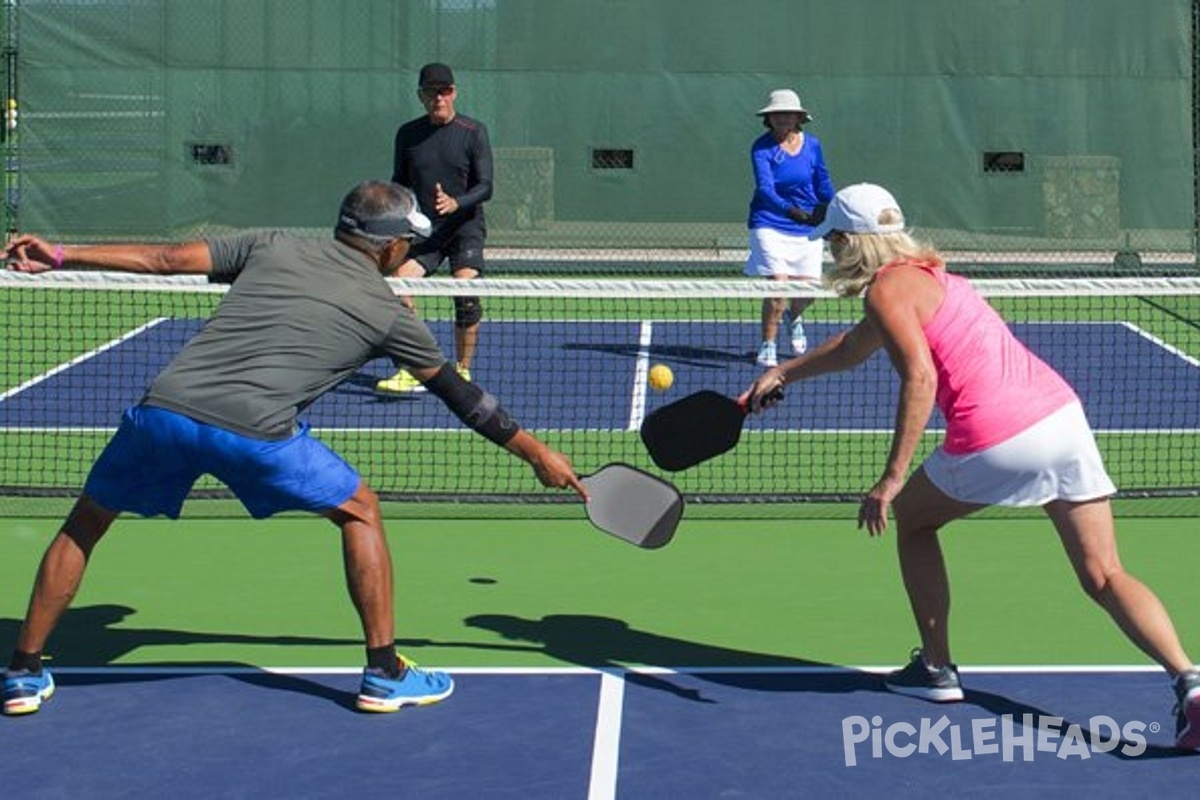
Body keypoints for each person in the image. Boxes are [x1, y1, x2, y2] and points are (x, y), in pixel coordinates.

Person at [1, 180, 586, 717]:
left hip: (165, 411)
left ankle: (24, 673)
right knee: (360, 509)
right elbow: (464, 398)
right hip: (255, 432)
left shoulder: (272, 243)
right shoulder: (390, 313)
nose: (407, 251)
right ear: (385, 247)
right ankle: (384, 671)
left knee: (86, 521)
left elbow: (165, 260)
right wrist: (538, 454)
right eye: (406, 241)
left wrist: (58, 256)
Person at [740, 182, 1200, 750]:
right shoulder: (938, 279)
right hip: (1061, 418)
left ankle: (936, 669)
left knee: (913, 519)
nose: (833, 252)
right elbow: (853, 348)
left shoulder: (886, 291)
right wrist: (786, 370)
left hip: (998, 435)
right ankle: (1190, 681)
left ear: (852, 242)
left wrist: (890, 479)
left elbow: (921, 378)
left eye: (834, 240)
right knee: (1105, 573)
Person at [376, 62, 493, 394]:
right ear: (421, 96)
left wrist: (457, 203)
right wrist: (395, 215)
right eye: (431, 92)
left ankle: (462, 370)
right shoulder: (408, 134)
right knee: (397, 288)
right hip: (426, 234)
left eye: (444, 91)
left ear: (453, 93)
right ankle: (415, 367)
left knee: (466, 294)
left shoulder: (474, 132)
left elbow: (486, 186)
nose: (439, 97)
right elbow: (399, 183)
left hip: (465, 229)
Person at [745, 88, 835, 368]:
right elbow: (765, 190)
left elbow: (822, 180)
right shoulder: (761, 148)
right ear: (769, 119)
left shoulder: (813, 145)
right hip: (769, 221)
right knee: (779, 286)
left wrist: (833, 210)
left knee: (808, 291)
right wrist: (791, 211)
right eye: (776, 114)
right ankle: (768, 344)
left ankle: (793, 318)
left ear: (798, 117)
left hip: (807, 225)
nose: (781, 118)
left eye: (787, 113)